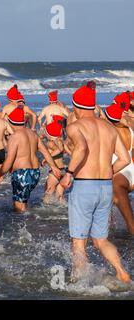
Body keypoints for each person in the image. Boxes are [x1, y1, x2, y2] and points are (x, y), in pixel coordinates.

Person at [59, 81, 131, 283]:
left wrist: (69, 173)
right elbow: (125, 159)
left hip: (84, 186)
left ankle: (80, 284)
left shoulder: (75, 126)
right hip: (106, 187)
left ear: (76, 106)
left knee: (79, 243)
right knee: (100, 240)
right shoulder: (109, 128)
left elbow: (81, 148)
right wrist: (109, 171)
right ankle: (121, 271)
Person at [0, 107, 61, 213]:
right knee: (23, 201)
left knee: (18, 206)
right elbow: (45, 152)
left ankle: (22, 227)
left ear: (11, 122)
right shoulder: (33, 135)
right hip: (35, 173)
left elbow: (9, 160)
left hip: (21, 173)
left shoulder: (15, 137)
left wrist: (0, 173)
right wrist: (54, 167)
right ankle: (29, 223)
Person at [101, 102, 134, 234]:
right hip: (131, 171)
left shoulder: (109, 133)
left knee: (131, 224)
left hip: (120, 176)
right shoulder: (130, 130)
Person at [41, 119, 67, 204]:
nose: (44, 132)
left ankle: (44, 215)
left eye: (46, 131)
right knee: (60, 197)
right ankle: (63, 214)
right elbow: (62, 149)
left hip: (54, 171)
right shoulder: (60, 141)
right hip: (63, 170)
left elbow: (59, 150)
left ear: (50, 134)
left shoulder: (50, 143)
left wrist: (47, 158)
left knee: (47, 194)